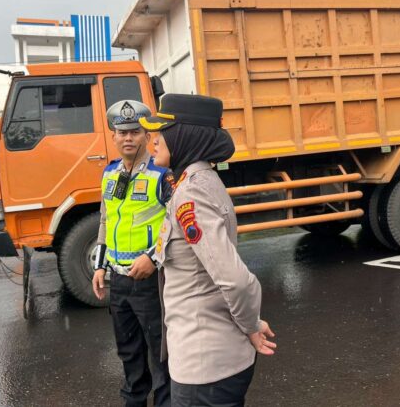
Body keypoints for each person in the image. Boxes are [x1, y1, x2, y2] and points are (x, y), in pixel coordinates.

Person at [139, 94, 276, 407]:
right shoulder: (198, 180)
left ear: (185, 135)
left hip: (205, 368)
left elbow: (237, 280)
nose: (153, 140)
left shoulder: (192, 194)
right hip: (215, 360)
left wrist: (251, 324)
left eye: (161, 131)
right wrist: (250, 323)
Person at [92, 100, 172, 407]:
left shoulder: (162, 174)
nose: (128, 138)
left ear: (145, 136)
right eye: (122, 132)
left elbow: (175, 223)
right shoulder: (110, 174)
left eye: (135, 132)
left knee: (160, 352)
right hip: (119, 281)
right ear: (113, 136)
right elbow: (105, 220)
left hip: (150, 281)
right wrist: (99, 267)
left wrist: (152, 258)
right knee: (128, 352)